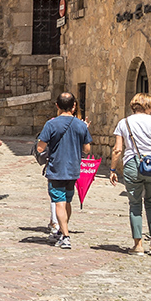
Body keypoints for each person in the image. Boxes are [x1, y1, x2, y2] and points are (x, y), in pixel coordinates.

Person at [109, 92, 151, 256]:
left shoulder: (124, 123)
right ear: (148, 106)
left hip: (132, 164)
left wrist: (113, 169)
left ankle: (138, 245)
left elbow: (117, 149)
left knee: (135, 204)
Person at [36, 91, 91, 250]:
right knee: (67, 201)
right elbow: (87, 149)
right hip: (73, 169)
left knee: (59, 202)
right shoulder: (81, 125)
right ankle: (62, 230)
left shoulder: (51, 124)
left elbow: (40, 148)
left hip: (57, 168)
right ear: (74, 106)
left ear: (57, 106)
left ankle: (65, 237)